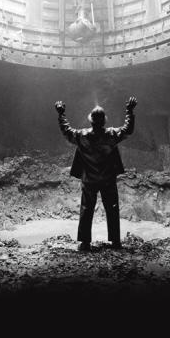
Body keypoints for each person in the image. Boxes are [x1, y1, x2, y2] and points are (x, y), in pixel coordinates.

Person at [55, 96, 137, 251]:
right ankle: (115, 242)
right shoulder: (111, 135)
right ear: (104, 121)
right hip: (108, 179)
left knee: (86, 209)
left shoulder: (82, 136)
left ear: (91, 120)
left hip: (89, 180)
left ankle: (85, 243)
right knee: (112, 208)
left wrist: (61, 114)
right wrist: (129, 111)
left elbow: (66, 132)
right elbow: (128, 130)